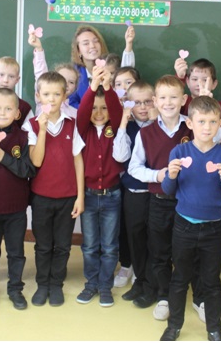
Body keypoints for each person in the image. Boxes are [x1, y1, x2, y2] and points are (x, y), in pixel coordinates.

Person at [159, 96, 221, 342]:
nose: (207, 127)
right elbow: (168, 190)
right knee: (179, 278)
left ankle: (214, 329)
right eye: (201, 121)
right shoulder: (180, 151)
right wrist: (171, 175)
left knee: (211, 281)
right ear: (190, 123)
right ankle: (174, 326)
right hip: (183, 227)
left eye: (213, 122)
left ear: (220, 124)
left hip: (213, 228)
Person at [128, 75, 194, 321]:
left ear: (184, 100)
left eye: (174, 97)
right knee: (159, 252)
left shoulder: (193, 127)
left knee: (186, 252)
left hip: (188, 202)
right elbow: (134, 168)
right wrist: (158, 175)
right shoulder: (146, 133)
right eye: (163, 98)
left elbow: (213, 146)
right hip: (159, 201)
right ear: (155, 101)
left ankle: (188, 296)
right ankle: (164, 296)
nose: (168, 103)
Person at [22, 71, 85, 307]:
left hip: (68, 196)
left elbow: (78, 161)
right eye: (46, 94)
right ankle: (43, 284)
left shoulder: (73, 123)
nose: (51, 99)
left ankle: (56, 284)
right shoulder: (31, 125)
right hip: (41, 197)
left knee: (63, 245)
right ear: (38, 96)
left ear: (64, 96)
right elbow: (36, 161)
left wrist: (80, 196)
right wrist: (42, 130)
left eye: (56, 94)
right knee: (43, 245)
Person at [0, 88, 37, 312]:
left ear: (17, 113)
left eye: (8, 108)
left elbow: (28, 170)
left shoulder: (23, 137)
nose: (3, 113)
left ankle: (15, 289)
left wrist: (3, 157)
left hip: (16, 208)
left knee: (16, 252)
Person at [75, 65, 124, 307]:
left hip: (112, 196)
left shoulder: (114, 128)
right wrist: (93, 86)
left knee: (110, 246)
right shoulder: (83, 130)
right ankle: (91, 284)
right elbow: (83, 111)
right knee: (89, 246)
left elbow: (116, 109)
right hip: (88, 195)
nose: (99, 112)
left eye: (103, 108)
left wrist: (107, 87)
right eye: (95, 108)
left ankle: (105, 286)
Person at [113, 80, 158, 305]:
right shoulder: (127, 127)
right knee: (135, 238)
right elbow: (120, 156)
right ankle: (140, 280)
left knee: (155, 240)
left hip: (156, 193)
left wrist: (155, 121)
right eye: (136, 102)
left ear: (155, 101)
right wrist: (123, 122)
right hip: (133, 192)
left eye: (147, 101)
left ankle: (153, 284)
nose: (142, 107)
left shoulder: (161, 126)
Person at [30, 23, 136, 108]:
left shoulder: (110, 67)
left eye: (96, 41)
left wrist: (129, 45)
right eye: (86, 43)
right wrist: (92, 110)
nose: (92, 46)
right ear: (78, 50)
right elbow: (69, 101)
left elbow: (126, 74)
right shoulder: (73, 74)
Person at [110, 66, 142, 288]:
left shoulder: (143, 114)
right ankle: (126, 263)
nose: (123, 88)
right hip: (115, 180)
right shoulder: (111, 111)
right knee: (121, 225)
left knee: (138, 226)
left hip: (137, 182)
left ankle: (140, 265)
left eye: (128, 82)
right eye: (118, 84)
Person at [174, 57, 221, 146]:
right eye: (194, 79)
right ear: (187, 82)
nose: (199, 83)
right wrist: (180, 78)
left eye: (205, 80)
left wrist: (205, 102)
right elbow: (171, 97)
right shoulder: (182, 103)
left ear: (214, 84)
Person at [28, 31, 79, 118]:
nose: (66, 84)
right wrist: (39, 49)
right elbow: (40, 73)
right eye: (62, 79)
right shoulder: (43, 101)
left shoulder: (74, 113)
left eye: (71, 82)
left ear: (75, 87)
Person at [0, 56, 34, 127]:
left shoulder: (24, 107)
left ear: (17, 80)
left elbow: (29, 131)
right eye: (1, 75)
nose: (5, 80)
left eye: (11, 76)